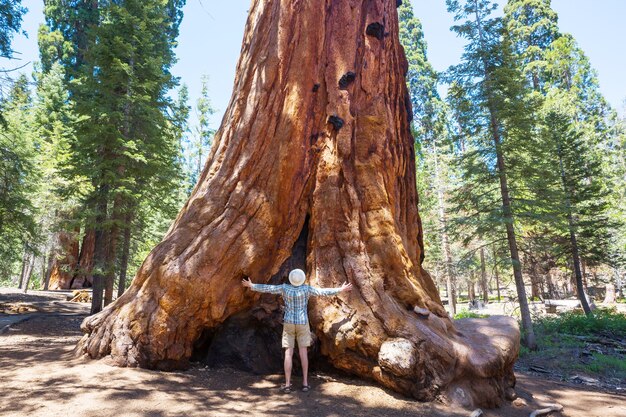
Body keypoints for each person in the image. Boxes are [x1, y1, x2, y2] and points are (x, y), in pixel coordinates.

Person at [242, 268, 352, 393]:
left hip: (289, 322)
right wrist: (340, 289)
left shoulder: (284, 288)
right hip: (302, 323)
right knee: (303, 352)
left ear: (291, 279)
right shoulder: (306, 289)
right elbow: (323, 292)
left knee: (288, 353)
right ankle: (305, 383)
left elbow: (269, 288)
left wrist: (251, 285)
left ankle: (288, 384)